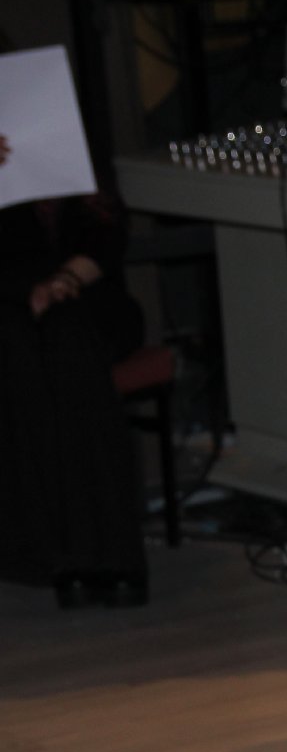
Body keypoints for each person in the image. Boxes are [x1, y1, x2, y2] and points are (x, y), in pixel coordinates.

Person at [0, 131, 150, 607]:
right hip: (9, 303)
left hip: (84, 294)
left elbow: (106, 230)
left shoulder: (61, 133)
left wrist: (65, 279)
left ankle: (109, 551)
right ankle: (57, 551)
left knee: (70, 340)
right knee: (20, 349)